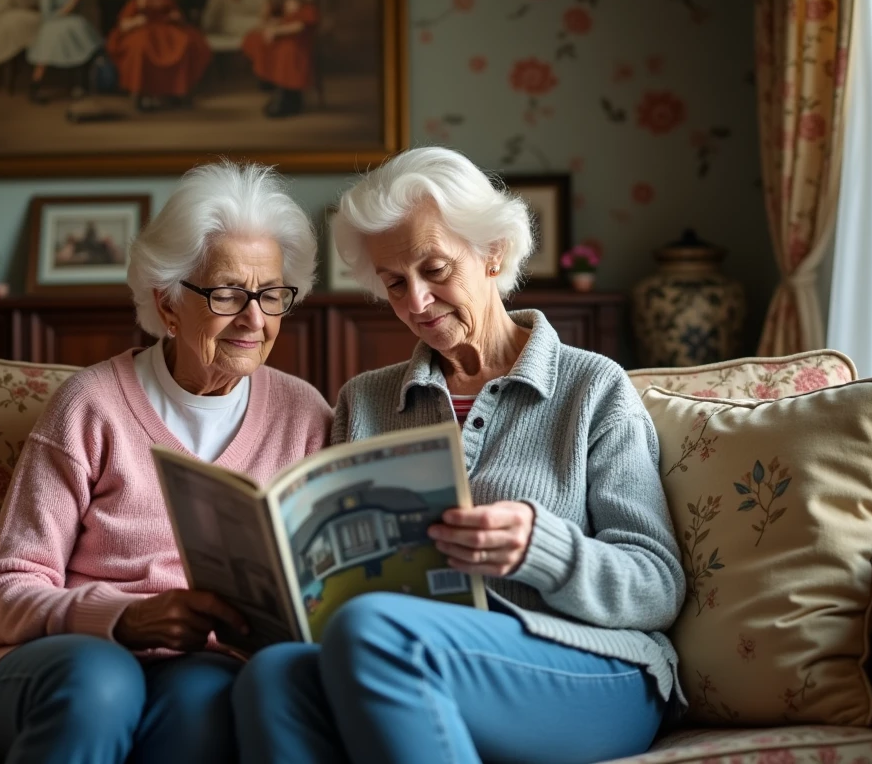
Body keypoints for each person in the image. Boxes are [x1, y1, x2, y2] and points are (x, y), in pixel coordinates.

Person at [233, 147, 687, 764]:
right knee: (274, 675)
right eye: (395, 282)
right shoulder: (366, 403)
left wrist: (541, 550)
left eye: (436, 268)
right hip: (415, 657)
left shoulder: (592, 388)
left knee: (376, 633)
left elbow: (658, 585)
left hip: (592, 667)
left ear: (493, 252)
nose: (417, 301)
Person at [0, 161, 332, 764]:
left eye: (273, 294)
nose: (255, 319)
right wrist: (122, 621)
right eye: (229, 293)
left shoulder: (304, 414)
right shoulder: (90, 405)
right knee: (103, 684)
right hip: (65, 661)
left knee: (210, 706)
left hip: (201, 664)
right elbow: (1, 593)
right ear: (168, 305)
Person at [106, 0, 213, 111]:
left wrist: (175, 17)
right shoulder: (137, 1)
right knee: (141, 46)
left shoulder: (167, 0)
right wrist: (137, 19)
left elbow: (179, 17)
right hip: (145, 32)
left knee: (184, 43)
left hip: (167, 32)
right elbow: (124, 23)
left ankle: (177, 91)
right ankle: (139, 91)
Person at [242, 0, 318, 118]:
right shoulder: (278, 2)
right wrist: (268, 17)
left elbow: (299, 26)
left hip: (297, 41)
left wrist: (276, 30)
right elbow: (272, 21)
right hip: (283, 36)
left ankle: (288, 93)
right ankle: (273, 83)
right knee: (256, 40)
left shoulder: (300, 2)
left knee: (286, 51)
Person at [27, 0, 101, 103]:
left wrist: (76, 0)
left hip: (71, 27)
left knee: (82, 43)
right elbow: (48, 15)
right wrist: (72, 1)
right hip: (53, 26)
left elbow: (76, 13)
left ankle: (79, 85)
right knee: (45, 55)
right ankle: (35, 87)